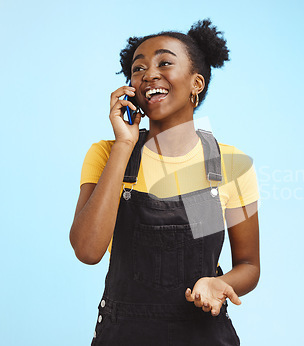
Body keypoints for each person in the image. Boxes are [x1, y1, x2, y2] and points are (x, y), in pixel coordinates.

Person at [69, 19, 260, 345]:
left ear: (196, 83)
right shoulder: (107, 154)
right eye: (138, 67)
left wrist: (220, 284)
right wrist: (124, 145)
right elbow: (88, 251)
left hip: (204, 335)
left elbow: (248, 265)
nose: (148, 73)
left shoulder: (227, 165)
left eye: (165, 62)